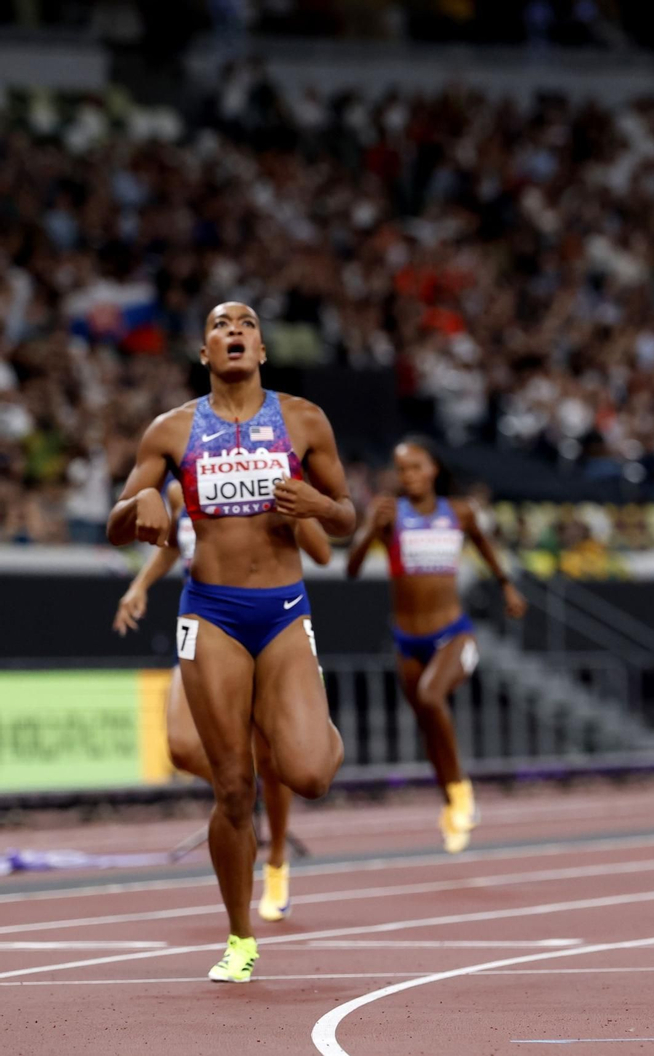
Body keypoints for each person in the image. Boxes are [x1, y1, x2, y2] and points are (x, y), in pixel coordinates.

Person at [107, 302, 355, 983]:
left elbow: (348, 515)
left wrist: (320, 508)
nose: (234, 330)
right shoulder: (172, 430)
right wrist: (142, 506)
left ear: (263, 349)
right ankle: (240, 936)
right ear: (204, 352)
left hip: (282, 610)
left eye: (245, 323)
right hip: (210, 611)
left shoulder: (303, 419)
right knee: (232, 786)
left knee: (308, 773)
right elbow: (115, 525)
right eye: (220, 325)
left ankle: (312, 722)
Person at [113, 479, 332, 921]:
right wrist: (139, 585)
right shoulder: (180, 491)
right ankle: (238, 786)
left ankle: (275, 863)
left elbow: (323, 553)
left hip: (266, 625)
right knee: (181, 745)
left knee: (275, 761)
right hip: (206, 625)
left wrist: (300, 511)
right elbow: (174, 546)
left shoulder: (268, 481)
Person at [345, 437, 526, 853]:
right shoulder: (388, 514)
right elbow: (351, 570)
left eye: (416, 467)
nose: (408, 476)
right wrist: (371, 529)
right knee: (428, 722)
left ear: (434, 470)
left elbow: (485, 546)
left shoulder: (459, 512)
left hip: (453, 633)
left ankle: (461, 791)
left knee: (430, 696)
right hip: (407, 639)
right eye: (401, 469)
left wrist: (507, 586)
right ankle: (450, 802)